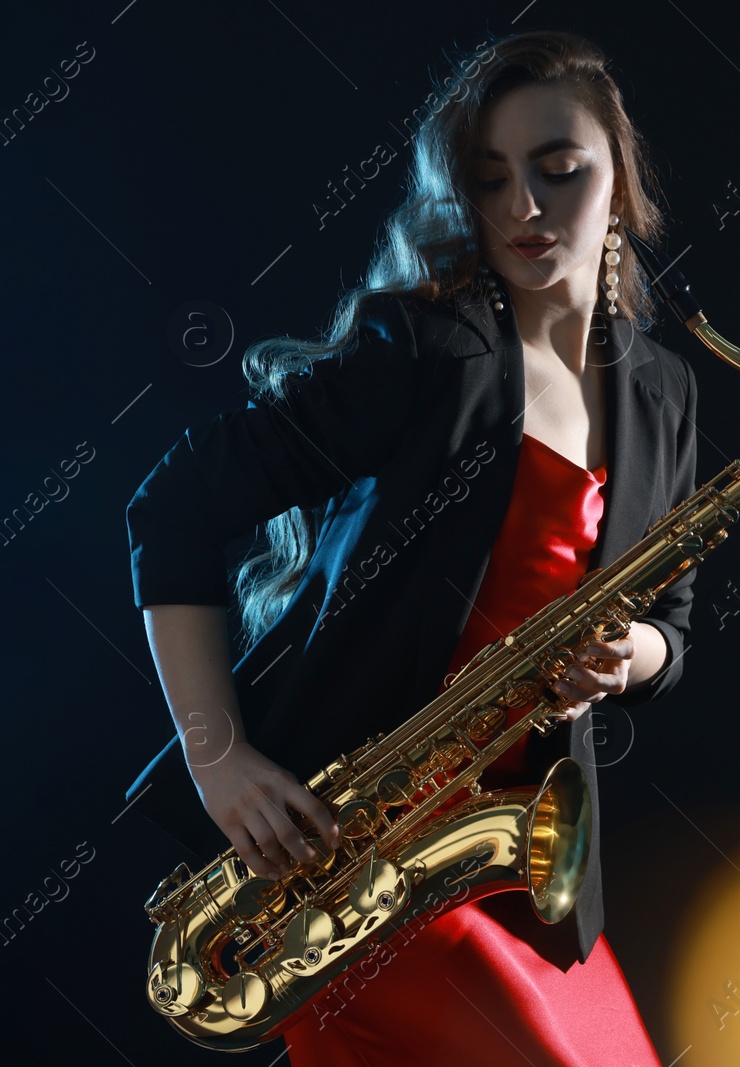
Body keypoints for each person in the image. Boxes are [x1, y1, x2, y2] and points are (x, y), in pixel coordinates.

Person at [125, 29, 697, 1066]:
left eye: (559, 171)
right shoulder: (424, 349)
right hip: (353, 858)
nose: (525, 205)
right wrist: (220, 759)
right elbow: (173, 507)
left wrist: (632, 656)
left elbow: (674, 623)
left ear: (621, 173)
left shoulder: (664, 388)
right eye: (489, 180)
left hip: (513, 868)